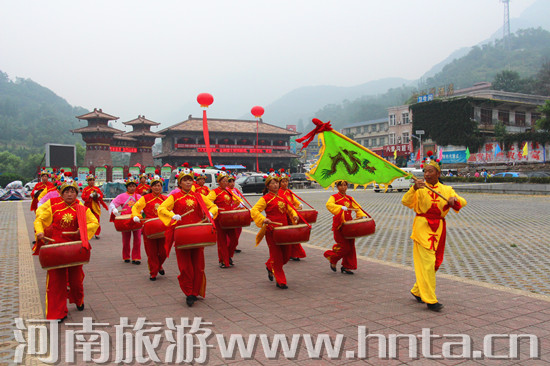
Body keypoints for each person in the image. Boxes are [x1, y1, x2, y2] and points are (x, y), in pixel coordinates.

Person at [402, 158, 467, 312]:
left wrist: (454, 200)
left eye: (430, 171)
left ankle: (417, 290)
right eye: (425, 171)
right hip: (422, 228)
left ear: (438, 173)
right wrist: (414, 189)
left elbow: (463, 202)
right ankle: (430, 299)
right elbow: (405, 201)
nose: (427, 174)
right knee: (427, 262)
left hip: (438, 229)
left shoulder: (446, 189)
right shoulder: (420, 188)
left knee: (434, 263)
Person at [33, 178, 99, 321]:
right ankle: (57, 313)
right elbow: (39, 220)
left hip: (75, 249)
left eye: (72, 191)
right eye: (67, 192)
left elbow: (94, 222)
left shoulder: (81, 209)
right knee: (56, 281)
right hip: (57, 249)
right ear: (61, 194)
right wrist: (39, 232)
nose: (70, 194)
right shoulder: (54, 208)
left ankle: (78, 299)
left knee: (76, 280)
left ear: (77, 194)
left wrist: (81, 230)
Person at [158, 165, 218, 307]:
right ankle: (189, 292)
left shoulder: (199, 196)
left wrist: (210, 213)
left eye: (190, 180)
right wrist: (173, 215)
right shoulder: (174, 196)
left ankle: (196, 290)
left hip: (197, 234)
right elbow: (162, 209)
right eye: (185, 180)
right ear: (179, 183)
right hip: (182, 235)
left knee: (198, 265)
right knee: (185, 267)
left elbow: (213, 206)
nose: (188, 183)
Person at [251, 170, 298, 289]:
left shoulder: (283, 197)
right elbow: (254, 210)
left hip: (284, 229)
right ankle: (281, 281)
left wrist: (294, 214)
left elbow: (290, 209)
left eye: (276, 182)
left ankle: (269, 265)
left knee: (286, 255)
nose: (275, 185)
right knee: (277, 256)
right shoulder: (265, 199)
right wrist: (263, 219)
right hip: (272, 230)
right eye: (272, 183)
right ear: (267, 186)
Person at [324, 180, 367, 275]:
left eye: (345, 185)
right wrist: (339, 207)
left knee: (351, 246)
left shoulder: (350, 198)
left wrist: (361, 215)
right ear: (337, 187)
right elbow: (329, 205)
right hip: (339, 225)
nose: (343, 187)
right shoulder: (334, 197)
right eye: (341, 185)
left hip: (350, 225)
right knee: (345, 247)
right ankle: (332, 258)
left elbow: (358, 208)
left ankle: (347, 266)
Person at [131, 172, 168, 281]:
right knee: (151, 252)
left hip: (162, 228)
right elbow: (136, 208)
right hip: (149, 228)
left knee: (164, 251)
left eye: (159, 185)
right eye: (155, 185)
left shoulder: (165, 199)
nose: (157, 187)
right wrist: (136, 216)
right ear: (151, 187)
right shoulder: (145, 198)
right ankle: (153, 272)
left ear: (162, 187)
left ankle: (159, 265)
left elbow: (172, 209)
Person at [206, 168, 243, 268]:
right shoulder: (214, 192)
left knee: (234, 240)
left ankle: (229, 256)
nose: (226, 183)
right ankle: (223, 260)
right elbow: (207, 201)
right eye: (224, 181)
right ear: (219, 182)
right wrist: (213, 208)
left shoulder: (229, 191)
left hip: (230, 218)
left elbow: (237, 200)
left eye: (227, 181)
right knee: (222, 241)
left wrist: (240, 203)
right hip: (220, 219)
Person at [109, 175, 142, 264]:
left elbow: (144, 206)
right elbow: (112, 204)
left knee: (138, 239)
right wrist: (114, 210)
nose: (132, 188)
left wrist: (142, 210)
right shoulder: (121, 196)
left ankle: (136, 257)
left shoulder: (139, 197)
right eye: (130, 186)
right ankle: (126, 256)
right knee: (126, 240)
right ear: (127, 187)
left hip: (136, 220)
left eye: (133, 186)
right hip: (125, 220)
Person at [278, 169, 307, 261]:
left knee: (293, 235)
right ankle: (289, 253)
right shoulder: (278, 193)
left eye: (286, 181)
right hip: (284, 216)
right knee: (289, 236)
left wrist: (299, 205)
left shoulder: (289, 192)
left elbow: (294, 201)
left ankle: (294, 253)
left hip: (291, 215)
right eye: (283, 182)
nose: (285, 183)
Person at [81, 174, 108, 239]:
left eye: (93, 180)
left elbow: (101, 197)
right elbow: (83, 197)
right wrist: (89, 196)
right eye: (90, 180)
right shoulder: (85, 189)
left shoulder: (97, 189)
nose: (91, 181)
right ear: (87, 181)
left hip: (95, 207)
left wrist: (98, 196)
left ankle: (96, 233)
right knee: (87, 220)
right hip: (88, 207)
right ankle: (87, 233)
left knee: (96, 220)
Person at [227, 173, 247, 254]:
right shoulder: (226, 191)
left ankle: (234, 245)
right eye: (230, 182)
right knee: (232, 230)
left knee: (239, 229)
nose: (232, 183)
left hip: (239, 212)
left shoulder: (236, 190)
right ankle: (229, 245)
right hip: (231, 212)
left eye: (233, 181)